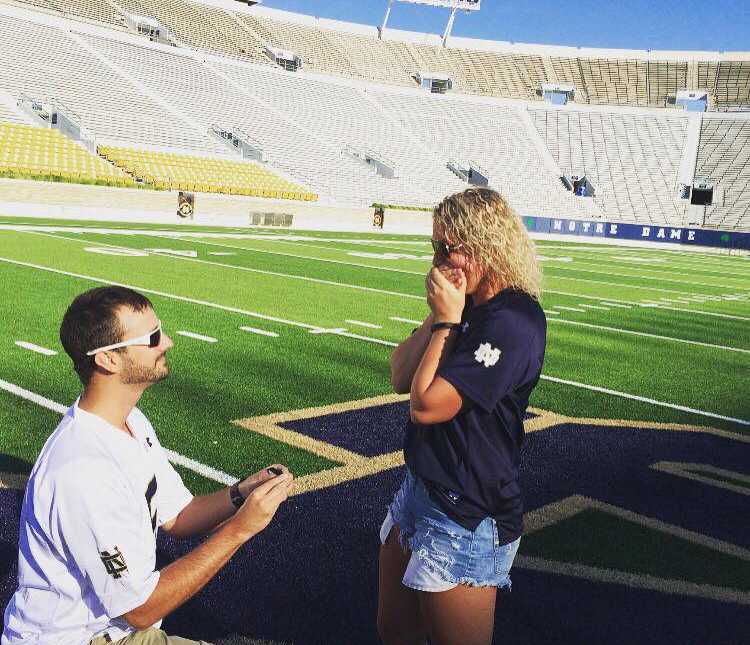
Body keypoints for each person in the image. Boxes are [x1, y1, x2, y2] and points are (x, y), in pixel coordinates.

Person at [2, 286, 294, 645]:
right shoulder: (81, 470)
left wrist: (239, 495)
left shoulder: (132, 421)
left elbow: (179, 515)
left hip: (118, 631)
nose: (167, 342)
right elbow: (139, 608)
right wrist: (240, 530)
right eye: (152, 338)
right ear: (107, 359)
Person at [377, 188, 546, 645]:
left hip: (468, 511)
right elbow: (398, 374)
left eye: (446, 248)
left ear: (482, 245)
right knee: (394, 632)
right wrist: (439, 318)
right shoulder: (464, 303)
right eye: (434, 247)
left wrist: (449, 322)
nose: (437, 261)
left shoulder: (513, 321)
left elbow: (425, 405)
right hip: (421, 487)